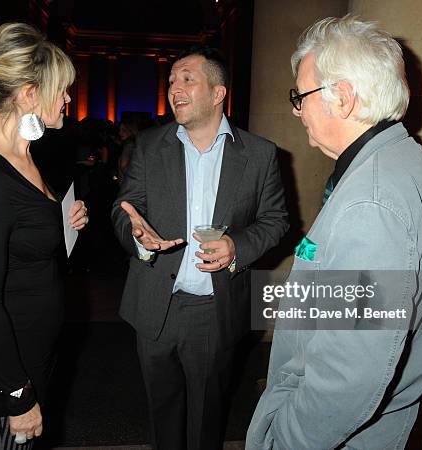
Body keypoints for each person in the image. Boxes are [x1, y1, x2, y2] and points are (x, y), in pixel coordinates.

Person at [246, 15, 422, 449]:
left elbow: (347, 380)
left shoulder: (371, 203)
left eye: (300, 95)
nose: (295, 109)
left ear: (341, 98)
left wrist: (282, 439)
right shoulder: (416, 164)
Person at [111, 45, 289, 450]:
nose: (175, 88)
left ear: (218, 93)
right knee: (163, 414)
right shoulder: (148, 146)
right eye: (172, 80)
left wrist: (236, 247)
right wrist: (136, 233)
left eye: (188, 79)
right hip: (156, 302)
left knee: (207, 415)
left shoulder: (260, 154)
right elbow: (124, 209)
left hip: (215, 309)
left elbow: (276, 220)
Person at [0, 22, 88, 449]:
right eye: (62, 89)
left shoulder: (23, 154)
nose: (68, 98)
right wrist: (17, 395)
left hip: (34, 353)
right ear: (30, 93)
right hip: (6, 373)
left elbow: (22, 239)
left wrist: (63, 221)